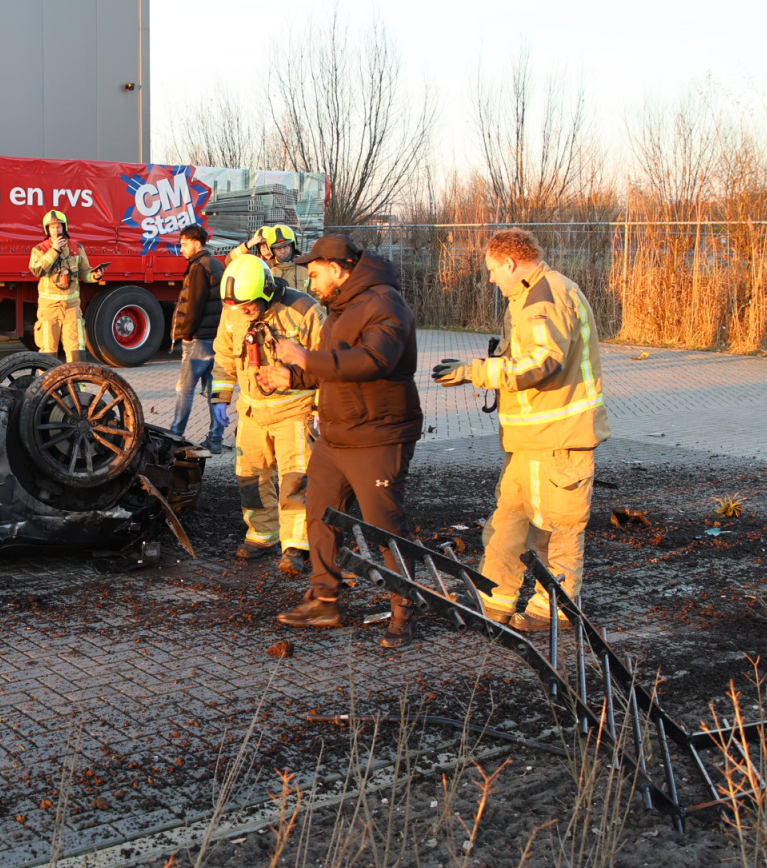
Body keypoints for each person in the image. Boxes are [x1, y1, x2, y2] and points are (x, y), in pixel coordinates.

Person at [434, 227, 609, 632]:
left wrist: (473, 372)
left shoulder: (543, 299)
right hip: (535, 441)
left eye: (493, 269)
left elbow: (541, 363)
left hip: (559, 441)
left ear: (511, 263)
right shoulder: (534, 294)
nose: (491, 278)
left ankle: (555, 612)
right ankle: (495, 599)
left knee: (556, 531)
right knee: (509, 520)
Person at [265, 234, 424, 648]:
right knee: (319, 514)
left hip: (378, 435)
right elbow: (331, 366)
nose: (312, 283)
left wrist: (304, 358)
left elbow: (375, 361)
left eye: (315, 274)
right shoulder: (340, 306)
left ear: (338, 269)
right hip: (336, 435)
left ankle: (405, 608)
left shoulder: (384, 303)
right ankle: (324, 599)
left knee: (385, 526)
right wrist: (293, 377)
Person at [214, 253, 324, 574]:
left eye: (248, 308)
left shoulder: (303, 312)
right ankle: (262, 533)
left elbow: (327, 362)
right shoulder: (233, 310)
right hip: (251, 411)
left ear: (265, 295)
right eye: (234, 308)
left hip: (294, 410)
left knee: (295, 481)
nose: (241, 314)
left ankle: (296, 546)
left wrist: (322, 410)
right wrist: (220, 399)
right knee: (249, 476)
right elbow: (223, 355)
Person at [168, 224, 227, 452]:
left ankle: (175, 434)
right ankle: (215, 439)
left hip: (199, 339)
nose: (180, 248)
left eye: (183, 244)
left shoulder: (198, 268)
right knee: (214, 390)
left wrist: (187, 334)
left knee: (185, 389)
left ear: (196, 243)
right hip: (215, 337)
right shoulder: (216, 264)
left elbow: (195, 304)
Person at [28, 209, 106, 362]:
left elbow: (85, 273)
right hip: (49, 308)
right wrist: (54, 250)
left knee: (76, 347)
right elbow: (37, 270)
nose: (56, 230)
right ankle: (47, 384)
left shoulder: (77, 248)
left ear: (64, 227)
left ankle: (78, 385)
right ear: (47, 230)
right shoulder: (40, 249)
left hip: (71, 306)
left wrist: (95, 276)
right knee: (48, 348)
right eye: (52, 227)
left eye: (58, 227)